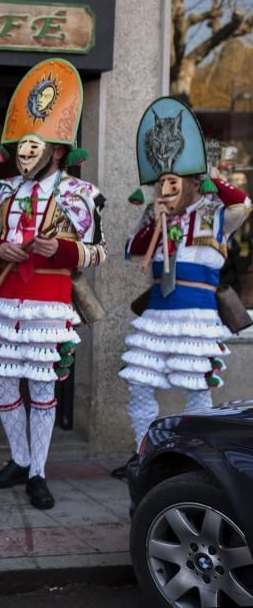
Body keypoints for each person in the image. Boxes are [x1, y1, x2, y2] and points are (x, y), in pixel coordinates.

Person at [0, 59, 107, 509]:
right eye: (20, 149)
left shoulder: (80, 195)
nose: (24, 157)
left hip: (49, 302)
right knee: (2, 384)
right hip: (7, 300)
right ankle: (18, 458)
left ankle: (38, 471)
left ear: (55, 151)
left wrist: (64, 252)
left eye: (34, 149)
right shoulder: (1, 193)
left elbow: (98, 251)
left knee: (43, 387)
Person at [116, 97, 251, 476]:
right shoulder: (154, 215)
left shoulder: (215, 213)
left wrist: (207, 175)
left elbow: (244, 203)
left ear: (192, 183)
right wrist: (154, 219)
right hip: (158, 314)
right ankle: (143, 456)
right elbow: (132, 250)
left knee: (197, 393)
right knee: (140, 387)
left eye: (174, 181)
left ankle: (201, 464)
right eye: (161, 182)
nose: (166, 188)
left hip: (196, 314)